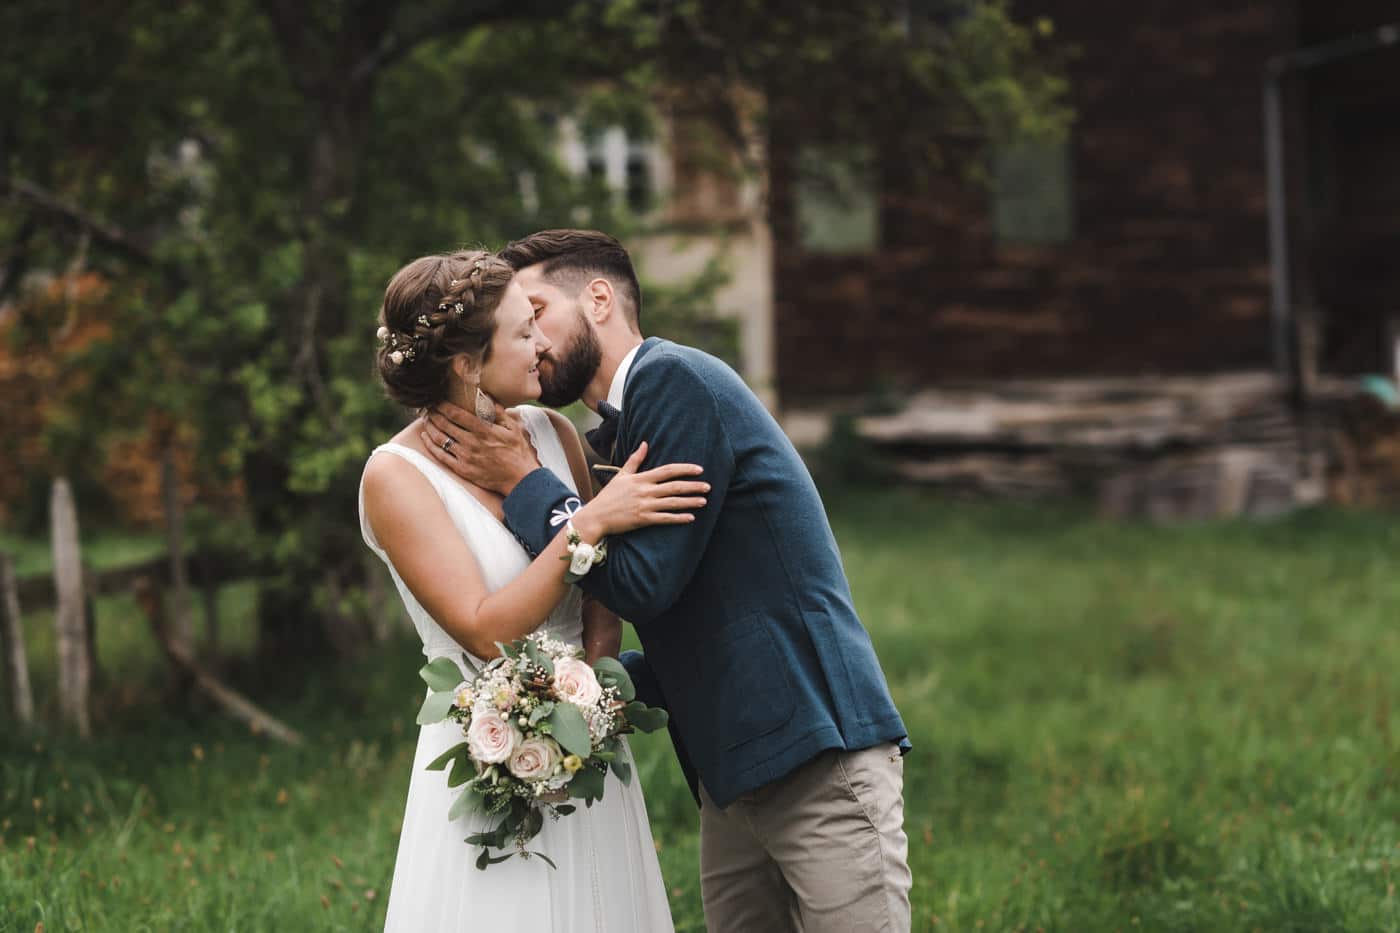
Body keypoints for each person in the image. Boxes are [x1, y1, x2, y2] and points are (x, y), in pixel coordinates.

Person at [420, 230, 913, 932]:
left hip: (815, 753)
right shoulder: (610, 435)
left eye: (536, 314)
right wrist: (561, 692)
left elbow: (645, 585)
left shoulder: (673, 380)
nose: (531, 341)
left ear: (598, 299)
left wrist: (524, 484)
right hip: (735, 772)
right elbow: (695, 608)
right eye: (518, 328)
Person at [358, 248, 708, 932]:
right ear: (466, 361)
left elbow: (601, 595)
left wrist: (591, 698)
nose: (545, 344)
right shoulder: (394, 478)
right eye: (524, 332)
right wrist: (589, 523)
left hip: (589, 749)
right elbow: (488, 629)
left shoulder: (554, 433)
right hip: (486, 758)